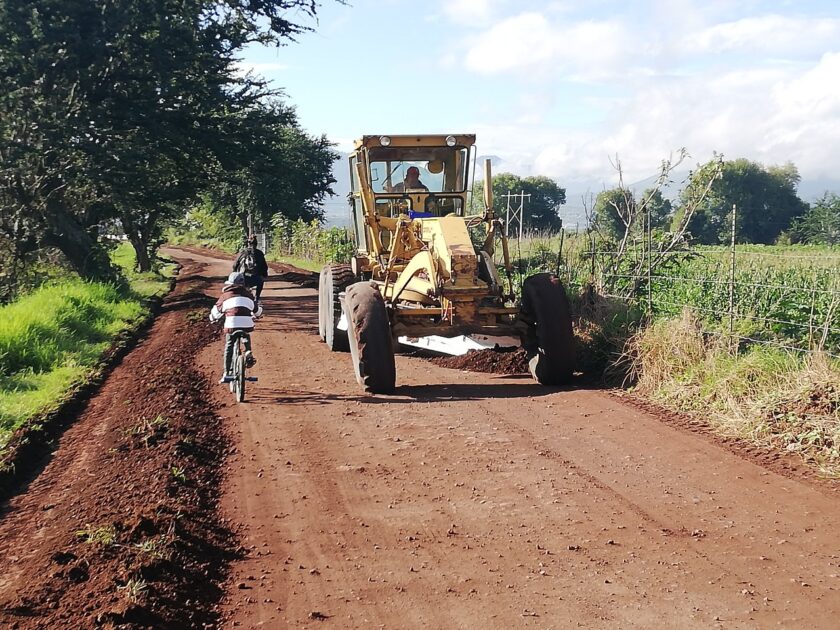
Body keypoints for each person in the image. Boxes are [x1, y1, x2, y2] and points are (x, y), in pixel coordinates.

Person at [209, 272, 262, 384]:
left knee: (229, 344)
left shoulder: (225, 297)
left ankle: (227, 372)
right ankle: (248, 351)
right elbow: (257, 311)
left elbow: (216, 312)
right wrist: (258, 314)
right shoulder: (248, 295)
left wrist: (212, 318)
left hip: (231, 325)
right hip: (246, 324)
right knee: (245, 334)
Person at [233, 235, 269, 303]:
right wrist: (264, 275)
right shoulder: (259, 253)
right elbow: (264, 267)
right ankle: (256, 298)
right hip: (254, 279)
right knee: (261, 281)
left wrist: (234, 272)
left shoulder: (242, 252)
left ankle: (238, 297)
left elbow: (235, 265)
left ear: (247, 243)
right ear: (256, 244)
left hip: (242, 279)